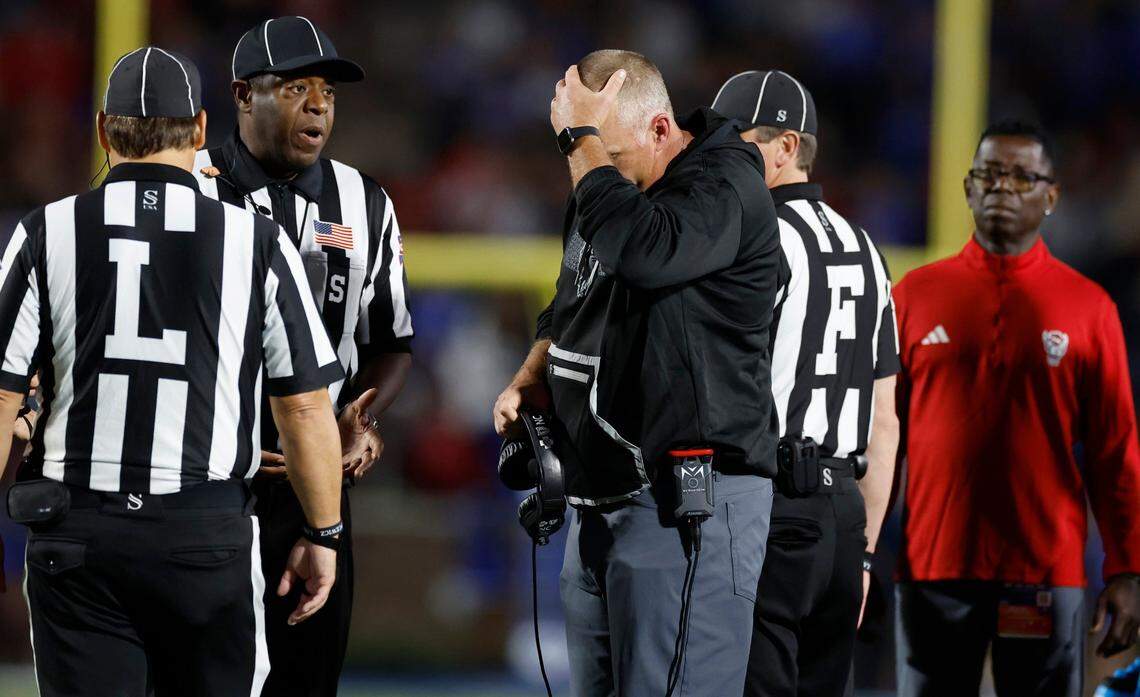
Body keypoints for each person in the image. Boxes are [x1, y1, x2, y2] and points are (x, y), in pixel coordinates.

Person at [0, 47, 345, 696]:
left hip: (78, 529)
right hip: (203, 532)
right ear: (199, 129)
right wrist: (321, 530)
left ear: (104, 130)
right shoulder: (257, 240)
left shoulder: (48, 231)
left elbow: (1, 395)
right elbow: (303, 408)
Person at [493, 49, 780, 696]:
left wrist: (582, 144)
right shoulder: (608, 181)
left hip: (685, 506)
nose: (594, 171)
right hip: (602, 501)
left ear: (658, 129)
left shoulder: (725, 182)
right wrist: (535, 369)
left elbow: (645, 251)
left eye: (607, 155)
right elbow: (574, 294)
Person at [193, 16, 413, 695]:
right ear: (241, 94)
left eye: (328, 91)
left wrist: (361, 419)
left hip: (310, 488)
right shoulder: (189, 190)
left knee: (305, 678)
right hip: (201, 484)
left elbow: (391, 343)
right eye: (294, 88)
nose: (319, 104)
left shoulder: (365, 203)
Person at [892, 120, 1140, 696]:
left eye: (1022, 176)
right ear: (969, 187)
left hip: (1043, 572)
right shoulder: (913, 295)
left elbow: (1115, 450)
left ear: (1051, 196)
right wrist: (861, 553)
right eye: (990, 174)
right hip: (934, 566)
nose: (1003, 187)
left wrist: (1126, 569)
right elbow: (884, 439)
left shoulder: (1088, 307)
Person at [711, 70, 900, 697]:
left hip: (772, 505)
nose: (722, 160)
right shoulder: (868, 248)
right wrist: (866, 551)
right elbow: (883, 417)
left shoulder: (754, 239)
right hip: (845, 517)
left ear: (786, 147)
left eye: (740, 144)